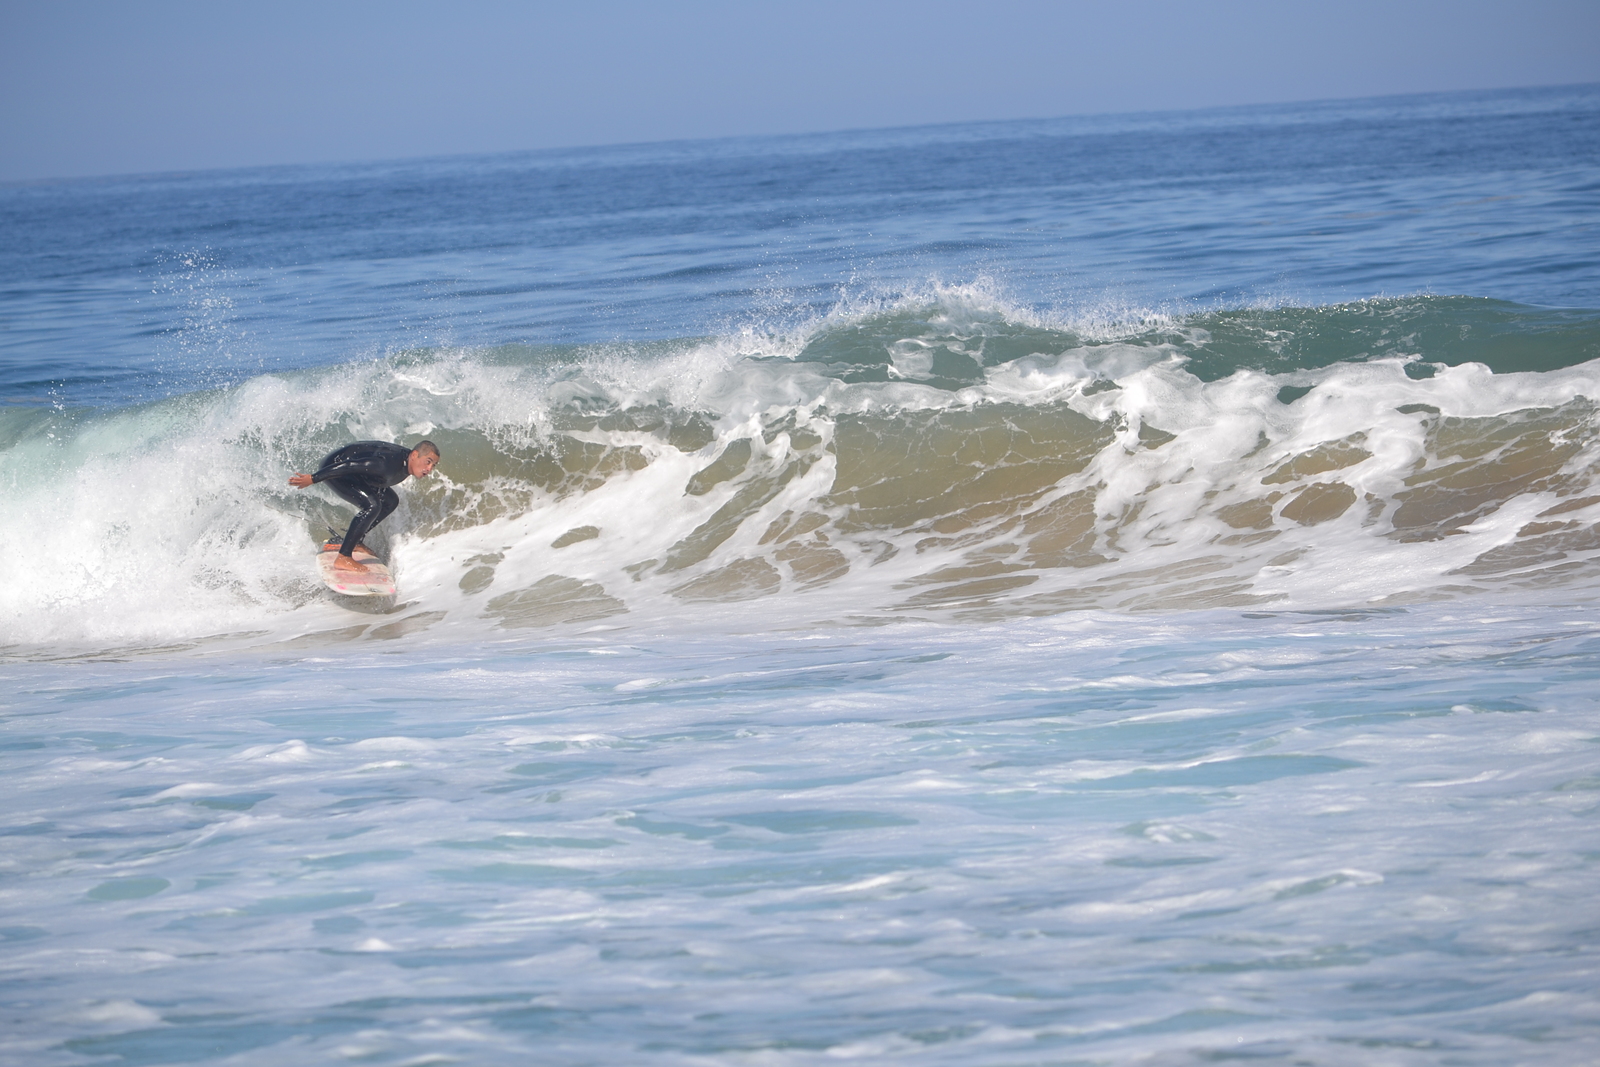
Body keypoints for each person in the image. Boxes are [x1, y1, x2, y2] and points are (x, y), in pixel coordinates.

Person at [289, 440, 440, 572]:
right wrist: (314, 478)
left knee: (391, 501)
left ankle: (355, 541)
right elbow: (349, 465)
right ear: (414, 455)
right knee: (372, 506)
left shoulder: (405, 463)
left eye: (433, 465)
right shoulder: (386, 465)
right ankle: (343, 557)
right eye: (428, 461)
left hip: (357, 473)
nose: (429, 469)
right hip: (336, 467)